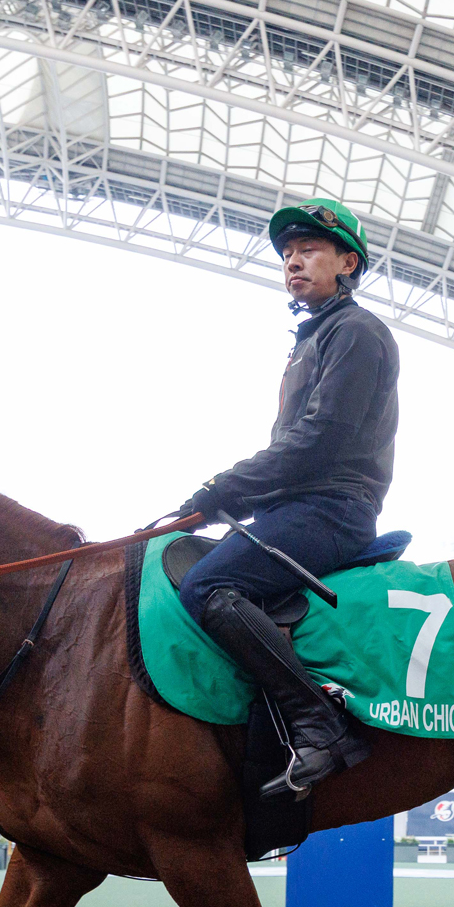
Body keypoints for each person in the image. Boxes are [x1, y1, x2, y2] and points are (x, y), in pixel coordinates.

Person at [173, 199, 400, 799]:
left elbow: (320, 440)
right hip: (297, 507)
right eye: (288, 254)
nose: (293, 262)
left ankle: (320, 727)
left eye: (309, 250)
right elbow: (295, 455)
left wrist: (224, 488)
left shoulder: (357, 331)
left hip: (333, 509)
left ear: (348, 263)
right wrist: (225, 503)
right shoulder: (313, 339)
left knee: (208, 585)